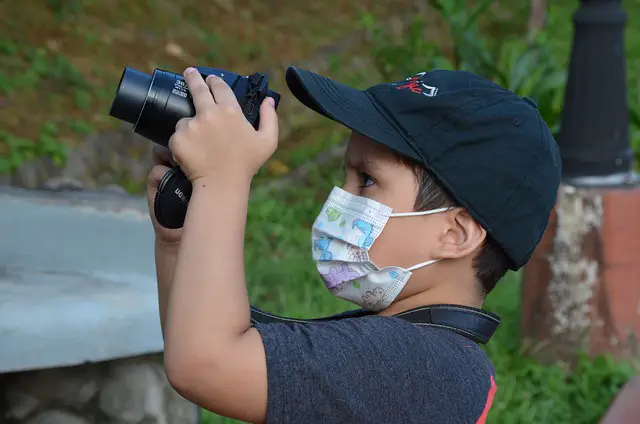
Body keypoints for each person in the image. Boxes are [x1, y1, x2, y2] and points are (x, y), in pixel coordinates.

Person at [147, 66, 561, 424]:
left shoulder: (422, 367)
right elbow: (198, 338)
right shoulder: (409, 351)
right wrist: (179, 240)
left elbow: (206, 364)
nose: (337, 200)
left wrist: (222, 181)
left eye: (366, 179)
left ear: (455, 234)